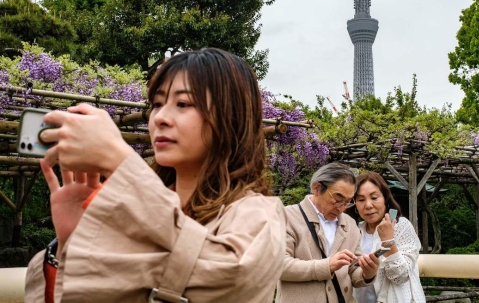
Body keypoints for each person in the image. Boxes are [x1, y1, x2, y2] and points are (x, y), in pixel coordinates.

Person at [24, 48, 287, 302]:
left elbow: (228, 276)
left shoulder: (258, 214)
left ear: (231, 117)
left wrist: (121, 161)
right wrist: (70, 243)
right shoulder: (133, 203)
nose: (160, 117)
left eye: (183, 103)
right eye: (157, 103)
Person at [278, 162, 380, 303]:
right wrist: (325, 266)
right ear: (317, 188)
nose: (341, 208)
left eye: (348, 202)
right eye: (338, 200)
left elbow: (353, 270)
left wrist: (367, 273)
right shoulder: (286, 216)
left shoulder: (350, 224)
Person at [353, 171, 425, 303]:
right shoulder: (355, 231)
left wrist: (387, 240)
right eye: (361, 199)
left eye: (374, 198)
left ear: (385, 198)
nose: (368, 205)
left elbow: (400, 276)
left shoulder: (400, 226)